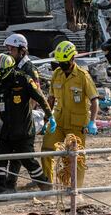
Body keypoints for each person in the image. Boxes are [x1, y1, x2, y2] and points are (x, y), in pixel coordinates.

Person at [0, 54, 52, 193]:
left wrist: (50, 117)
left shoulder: (24, 79)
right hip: (7, 128)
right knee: (0, 156)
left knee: (27, 160)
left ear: (9, 69)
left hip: (24, 129)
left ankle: (45, 186)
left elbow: (41, 98)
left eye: (0, 72)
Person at [41, 41, 99, 187]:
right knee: (47, 150)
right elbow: (51, 98)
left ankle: (75, 188)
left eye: (65, 62)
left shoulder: (82, 76)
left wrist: (92, 121)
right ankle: (47, 184)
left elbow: (94, 100)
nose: (62, 65)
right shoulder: (57, 74)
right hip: (58, 121)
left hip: (77, 124)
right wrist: (47, 118)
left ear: (73, 58)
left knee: (76, 156)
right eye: (60, 62)